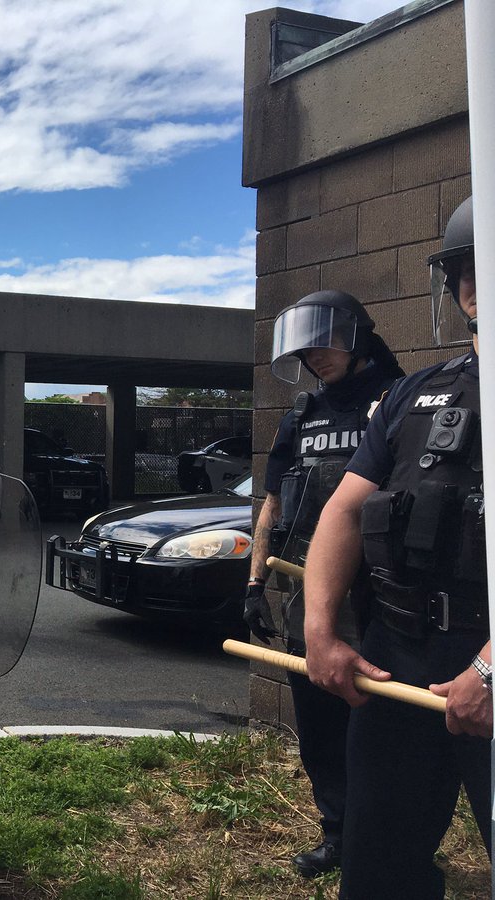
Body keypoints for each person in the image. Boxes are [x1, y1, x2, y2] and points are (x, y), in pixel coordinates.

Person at [304, 196, 491, 899]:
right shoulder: (415, 395)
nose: (479, 280)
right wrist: (322, 631)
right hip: (399, 659)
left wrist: (490, 671)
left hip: (490, 664)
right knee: (379, 861)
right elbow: (343, 515)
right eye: (467, 267)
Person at [244, 289, 404, 878]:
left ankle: (384, 838)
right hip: (308, 597)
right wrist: (255, 582)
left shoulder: (398, 401)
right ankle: (337, 835)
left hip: (381, 598)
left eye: (327, 341)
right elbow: (270, 503)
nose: (316, 356)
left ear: (358, 335)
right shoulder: (302, 415)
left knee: (378, 730)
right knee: (319, 727)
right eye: (305, 349)